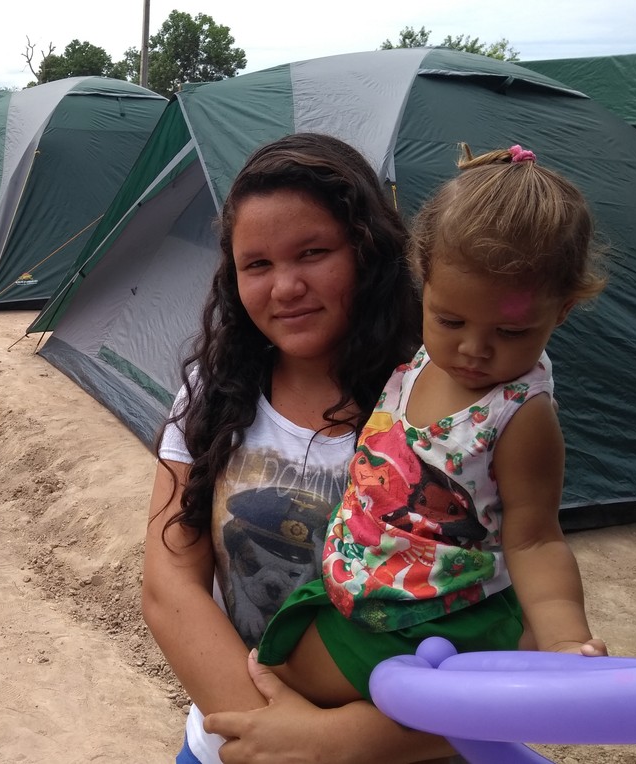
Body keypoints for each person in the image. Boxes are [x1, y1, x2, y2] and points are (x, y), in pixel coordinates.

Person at [253, 143, 608, 711]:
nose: (473, 349)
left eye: (510, 333)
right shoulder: (423, 358)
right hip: (368, 580)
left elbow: (537, 538)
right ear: (424, 278)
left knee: (297, 690)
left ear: (561, 311)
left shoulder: (519, 414)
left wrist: (562, 640)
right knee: (275, 666)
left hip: (436, 611)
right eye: (450, 319)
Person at [142, 133, 459, 764]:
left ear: (368, 251)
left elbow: (512, 615)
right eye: (256, 264)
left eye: (313, 253)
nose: (284, 287)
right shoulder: (212, 392)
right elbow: (169, 582)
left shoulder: (448, 398)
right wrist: (275, 739)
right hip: (237, 745)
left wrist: (338, 743)